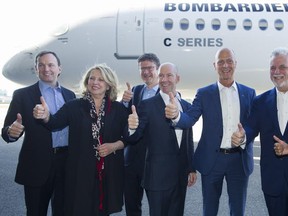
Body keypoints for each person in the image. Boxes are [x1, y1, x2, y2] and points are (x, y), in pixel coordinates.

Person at [165, 48, 256, 216]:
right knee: (209, 209)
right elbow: (190, 119)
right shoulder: (204, 93)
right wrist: (176, 115)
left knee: (238, 210)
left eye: (229, 61)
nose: (225, 65)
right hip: (212, 161)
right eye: (220, 62)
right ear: (215, 66)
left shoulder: (249, 93)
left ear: (235, 64)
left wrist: (244, 136)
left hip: (239, 160)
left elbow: (253, 125)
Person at [33, 63, 128, 216]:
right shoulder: (74, 106)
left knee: (102, 212)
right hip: (80, 173)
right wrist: (45, 116)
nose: (95, 82)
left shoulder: (119, 109)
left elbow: (129, 137)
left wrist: (114, 146)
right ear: (86, 82)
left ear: (109, 85)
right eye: (92, 78)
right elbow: (54, 123)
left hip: (108, 173)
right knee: (79, 210)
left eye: (101, 79)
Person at [1, 51, 76, 216]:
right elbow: (7, 130)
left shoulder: (70, 95)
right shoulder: (22, 95)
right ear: (36, 69)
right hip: (36, 166)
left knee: (65, 211)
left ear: (59, 69)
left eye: (50, 65)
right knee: (35, 212)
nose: (46, 69)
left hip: (66, 165)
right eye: (41, 65)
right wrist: (11, 131)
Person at [126, 62, 197, 216]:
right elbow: (136, 136)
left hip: (179, 176)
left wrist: (191, 167)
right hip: (157, 178)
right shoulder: (147, 105)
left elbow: (188, 140)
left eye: (169, 75)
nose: (164, 79)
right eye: (161, 76)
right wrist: (131, 127)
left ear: (177, 78)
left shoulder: (186, 106)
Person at [232, 47, 288, 216]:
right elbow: (250, 128)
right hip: (273, 181)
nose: (277, 72)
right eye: (272, 68)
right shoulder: (261, 102)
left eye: (282, 67)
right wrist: (242, 137)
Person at [121, 53, 160, 216]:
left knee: (157, 207)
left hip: (155, 161)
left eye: (149, 68)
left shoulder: (166, 94)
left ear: (157, 69)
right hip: (133, 160)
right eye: (142, 69)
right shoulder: (135, 91)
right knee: (132, 206)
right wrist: (123, 102)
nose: (146, 72)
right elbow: (122, 120)